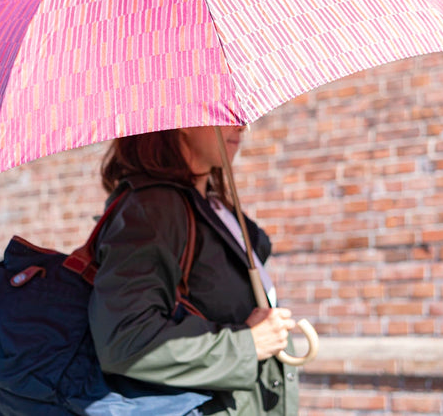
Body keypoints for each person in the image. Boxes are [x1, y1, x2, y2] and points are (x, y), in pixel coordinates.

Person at [88, 125, 299, 415]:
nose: (241, 124)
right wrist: (246, 344)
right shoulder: (154, 209)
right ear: (181, 123)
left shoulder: (213, 207)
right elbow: (126, 338)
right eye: (217, 111)